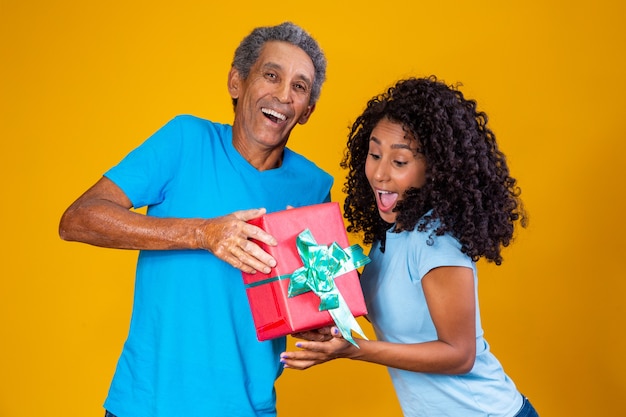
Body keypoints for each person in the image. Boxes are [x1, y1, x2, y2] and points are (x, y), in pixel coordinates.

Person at [59, 22, 333, 417]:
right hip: (147, 404)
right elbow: (78, 219)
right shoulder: (185, 140)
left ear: (306, 111)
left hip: (248, 408)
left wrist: (320, 328)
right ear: (236, 82)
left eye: (299, 87)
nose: (283, 95)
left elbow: (311, 303)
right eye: (271, 75)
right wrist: (203, 233)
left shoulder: (313, 187)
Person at [279, 76, 539, 416]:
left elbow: (459, 355)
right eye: (374, 155)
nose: (379, 174)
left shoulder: (436, 241)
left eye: (399, 162)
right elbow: (358, 301)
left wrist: (355, 349)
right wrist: (300, 240)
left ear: (435, 170)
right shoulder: (391, 233)